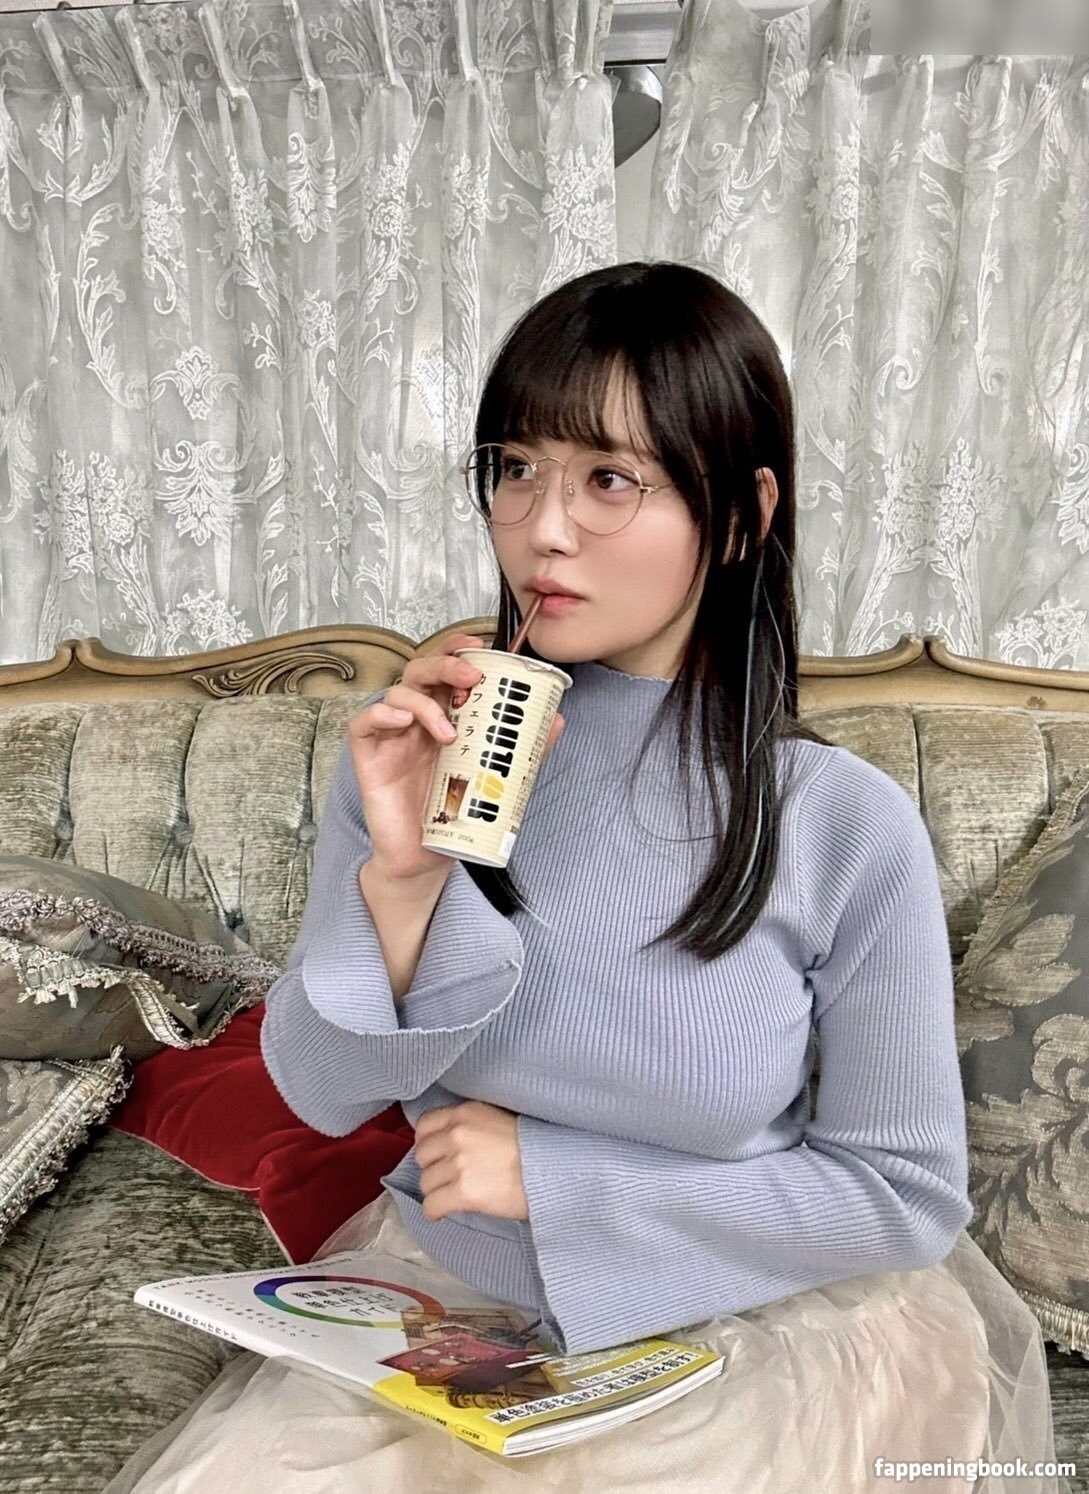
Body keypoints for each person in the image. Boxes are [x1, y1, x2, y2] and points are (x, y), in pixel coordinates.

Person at [104, 262, 1066, 1493]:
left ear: (740, 514)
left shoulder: (842, 823)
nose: (541, 529)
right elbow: (324, 1094)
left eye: (610, 479)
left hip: (752, 1321)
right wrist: (404, 876)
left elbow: (902, 1197)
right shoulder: (431, 758)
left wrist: (550, 1181)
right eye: (515, 467)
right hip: (452, 1306)